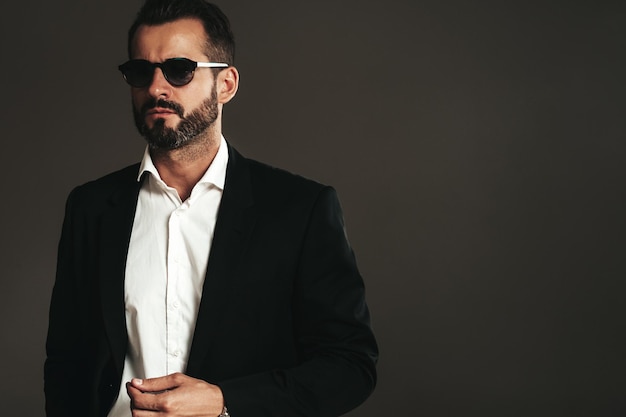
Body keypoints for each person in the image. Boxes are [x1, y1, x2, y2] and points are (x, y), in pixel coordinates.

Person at [44, 0, 378, 416]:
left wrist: (225, 403)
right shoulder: (91, 207)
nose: (156, 88)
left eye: (179, 69)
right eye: (140, 71)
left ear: (227, 84)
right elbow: (66, 359)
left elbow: (350, 366)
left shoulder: (300, 209)